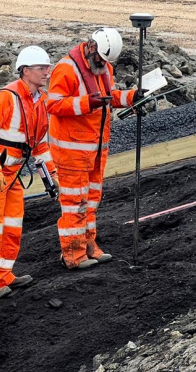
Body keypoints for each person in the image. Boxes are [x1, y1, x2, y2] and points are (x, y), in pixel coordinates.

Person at [46, 28, 143, 269]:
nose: (102, 63)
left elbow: (109, 96)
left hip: (95, 150)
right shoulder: (66, 69)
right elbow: (54, 104)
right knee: (74, 204)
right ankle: (73, 255)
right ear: (90, 47)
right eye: (100, 58)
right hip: (72, 151)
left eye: (106, 60)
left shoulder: (105, 68)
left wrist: (132, 97)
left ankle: (89, 246)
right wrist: (88, 103)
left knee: (91, 202)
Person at [0, 46, 58, 302]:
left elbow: (39, 145)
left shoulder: (40, 101)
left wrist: (50, 179)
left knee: (11, 226)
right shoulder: (5, 98)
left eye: (47, 67)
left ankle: (3, 274)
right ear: (26, 71)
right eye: (42, 68)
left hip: (13, 173)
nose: (46, 72)